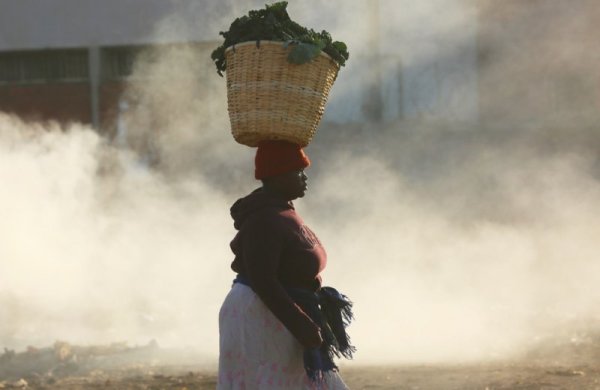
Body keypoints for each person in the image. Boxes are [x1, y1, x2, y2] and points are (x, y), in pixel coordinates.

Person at [218, 140, 354, 389]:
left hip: (280, 310)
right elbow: (264, 280)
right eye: (298, 172)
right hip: (260, 314)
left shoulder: (281, 211)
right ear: (277, 176)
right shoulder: (264, 219)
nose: (304, 178)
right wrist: (301, 324)